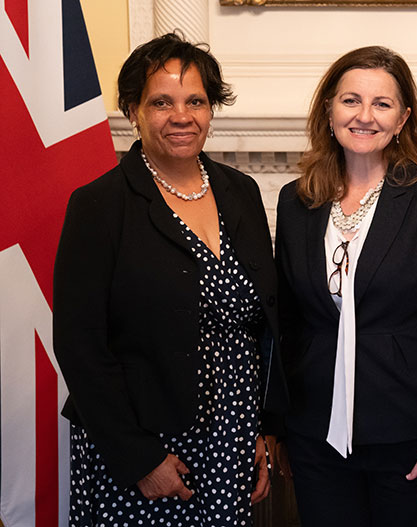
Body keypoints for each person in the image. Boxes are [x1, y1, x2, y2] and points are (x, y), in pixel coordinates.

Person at [53, 32, 287, 527]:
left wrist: (265, 430)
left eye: (195, 101)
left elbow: (262, 325)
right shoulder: (100, 205)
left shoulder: (240, 191)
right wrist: (139, 458)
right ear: (133, 110)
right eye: (162, 102)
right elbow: (79, 347)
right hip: (145, 447)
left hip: (233, 436)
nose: (181, 116)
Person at [275, 45, 417, 527]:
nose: (364, 116)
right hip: (316, 440)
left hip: (412, 444)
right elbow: (287, 322)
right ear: (329, 110)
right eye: (350, 100)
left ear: (403, 118)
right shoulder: (296, 201)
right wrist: (284, 430)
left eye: (382, 104)